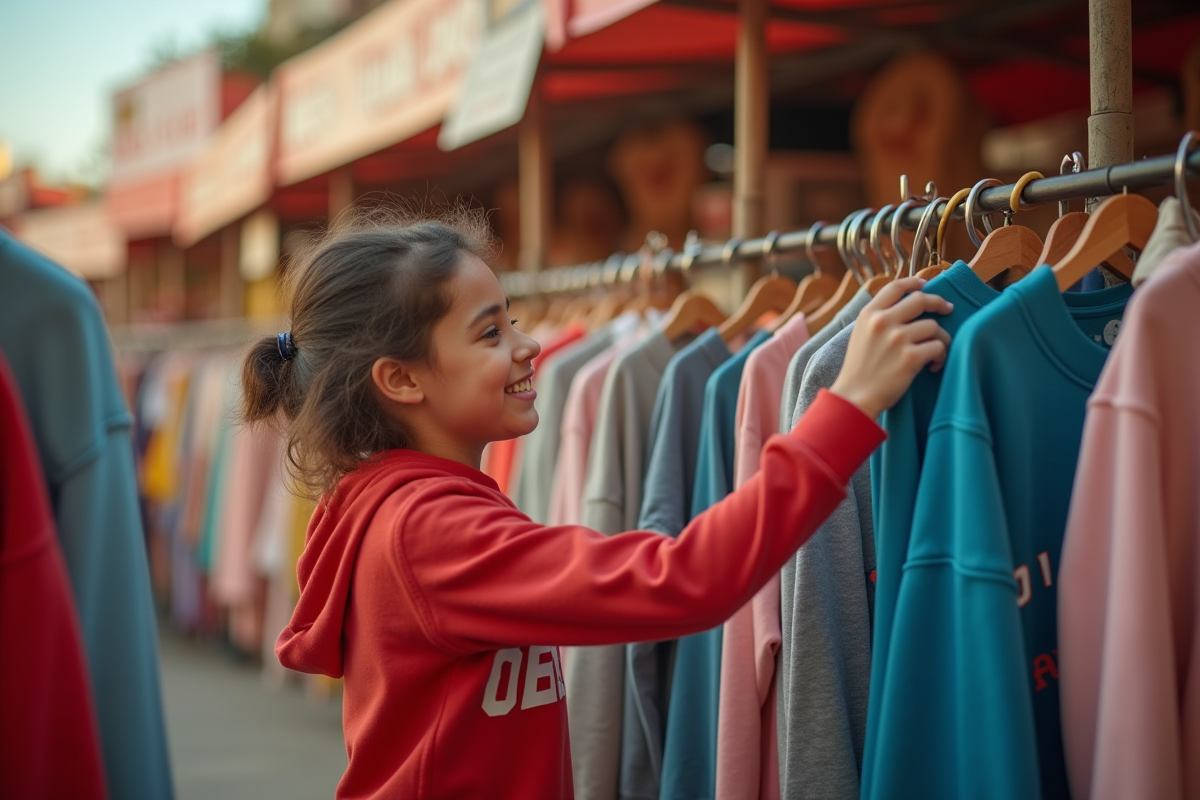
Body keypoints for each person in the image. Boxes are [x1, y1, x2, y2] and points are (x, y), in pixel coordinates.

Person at [241, 208, 953, 800]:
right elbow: (683, 581)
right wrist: (849, 405)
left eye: (513, 321)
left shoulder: (423, 511)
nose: (527, 348)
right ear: (400, 379)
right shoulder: (427, 532)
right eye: (490, 333)